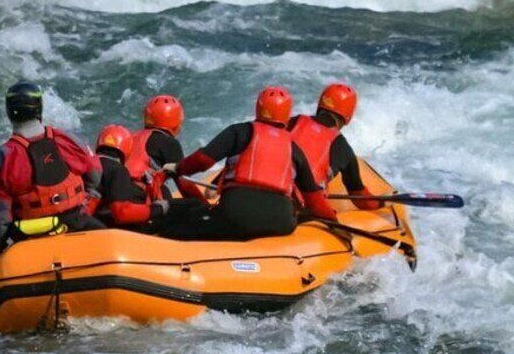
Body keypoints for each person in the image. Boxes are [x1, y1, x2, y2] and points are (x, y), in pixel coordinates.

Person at [159, 86, 337, 241]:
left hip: (236, 215)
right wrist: (334, 222)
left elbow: (202, 160)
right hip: (280, 223)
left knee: (183, 220)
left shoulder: (239, 131)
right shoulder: (293, 148)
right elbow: (315, 200)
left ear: (258, 108)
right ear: (287, 114)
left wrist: (178, 168)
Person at [0, 81, 104, 254]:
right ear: (38, 109)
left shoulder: (0, 159)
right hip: (76, 223)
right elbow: (95, 177)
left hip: (28, 236)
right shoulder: (70, 139)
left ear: (9, 111)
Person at [288, 83, 382, 212]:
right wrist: (382, 204)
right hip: (301, 209)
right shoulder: (343, 147)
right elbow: (360, 199)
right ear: (348, 117)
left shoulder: (293, 121)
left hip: (269, 193)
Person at [125, 94, 203, 201]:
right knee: (164, 191)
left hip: (115, 194)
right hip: (139, 199)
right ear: (175, 122)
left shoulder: (131, 137)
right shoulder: (169, 143)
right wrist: (206, 206)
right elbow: (185, 184)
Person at [94, 124, 170, 229]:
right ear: (127, 148)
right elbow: (122, 214)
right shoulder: (117, 170)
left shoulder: (88, 162)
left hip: (83, 217)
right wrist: (158, 208)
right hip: (104, 227)